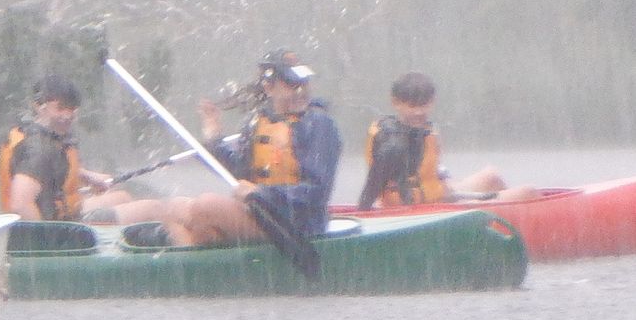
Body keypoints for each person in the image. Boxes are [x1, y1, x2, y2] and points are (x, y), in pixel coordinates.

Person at [127, 50, 341, 248]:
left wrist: (261, 194)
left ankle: (195, 265)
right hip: (261, 213)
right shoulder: (258, 122)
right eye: (292, 84)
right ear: (269, 87)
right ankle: (197, 267)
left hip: (297, 225)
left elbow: (317, 193)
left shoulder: (319, 124)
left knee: (205, 207)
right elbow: (239, 171)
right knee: (173, 210)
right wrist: (214, 139)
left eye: (304, 82)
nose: (301, 90)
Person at [355, 72, 540, 209]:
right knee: (529, 192)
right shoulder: (392, 142)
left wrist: (446, 185)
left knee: (492, 176)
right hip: (422, 211)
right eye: (412, 106)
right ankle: (508, 228)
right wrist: (364, 214)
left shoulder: (425, 131)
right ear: (396, 102)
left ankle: (507, 226)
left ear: (432, 101)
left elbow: (431, 172)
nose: (419, 112)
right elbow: (372, 188)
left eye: (424, 105)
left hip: (437, 196)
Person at [0, 74, 133, 223]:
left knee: (123, 197)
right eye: (60, 108)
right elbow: (20, 205)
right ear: (39, 106)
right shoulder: (38, 149)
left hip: (60, 212)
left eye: (72, 109)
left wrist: (87, 176)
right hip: (55, 225)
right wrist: (47, 236)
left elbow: (47, 169)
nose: (67, 115)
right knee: (149, 209)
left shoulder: (38, 135)